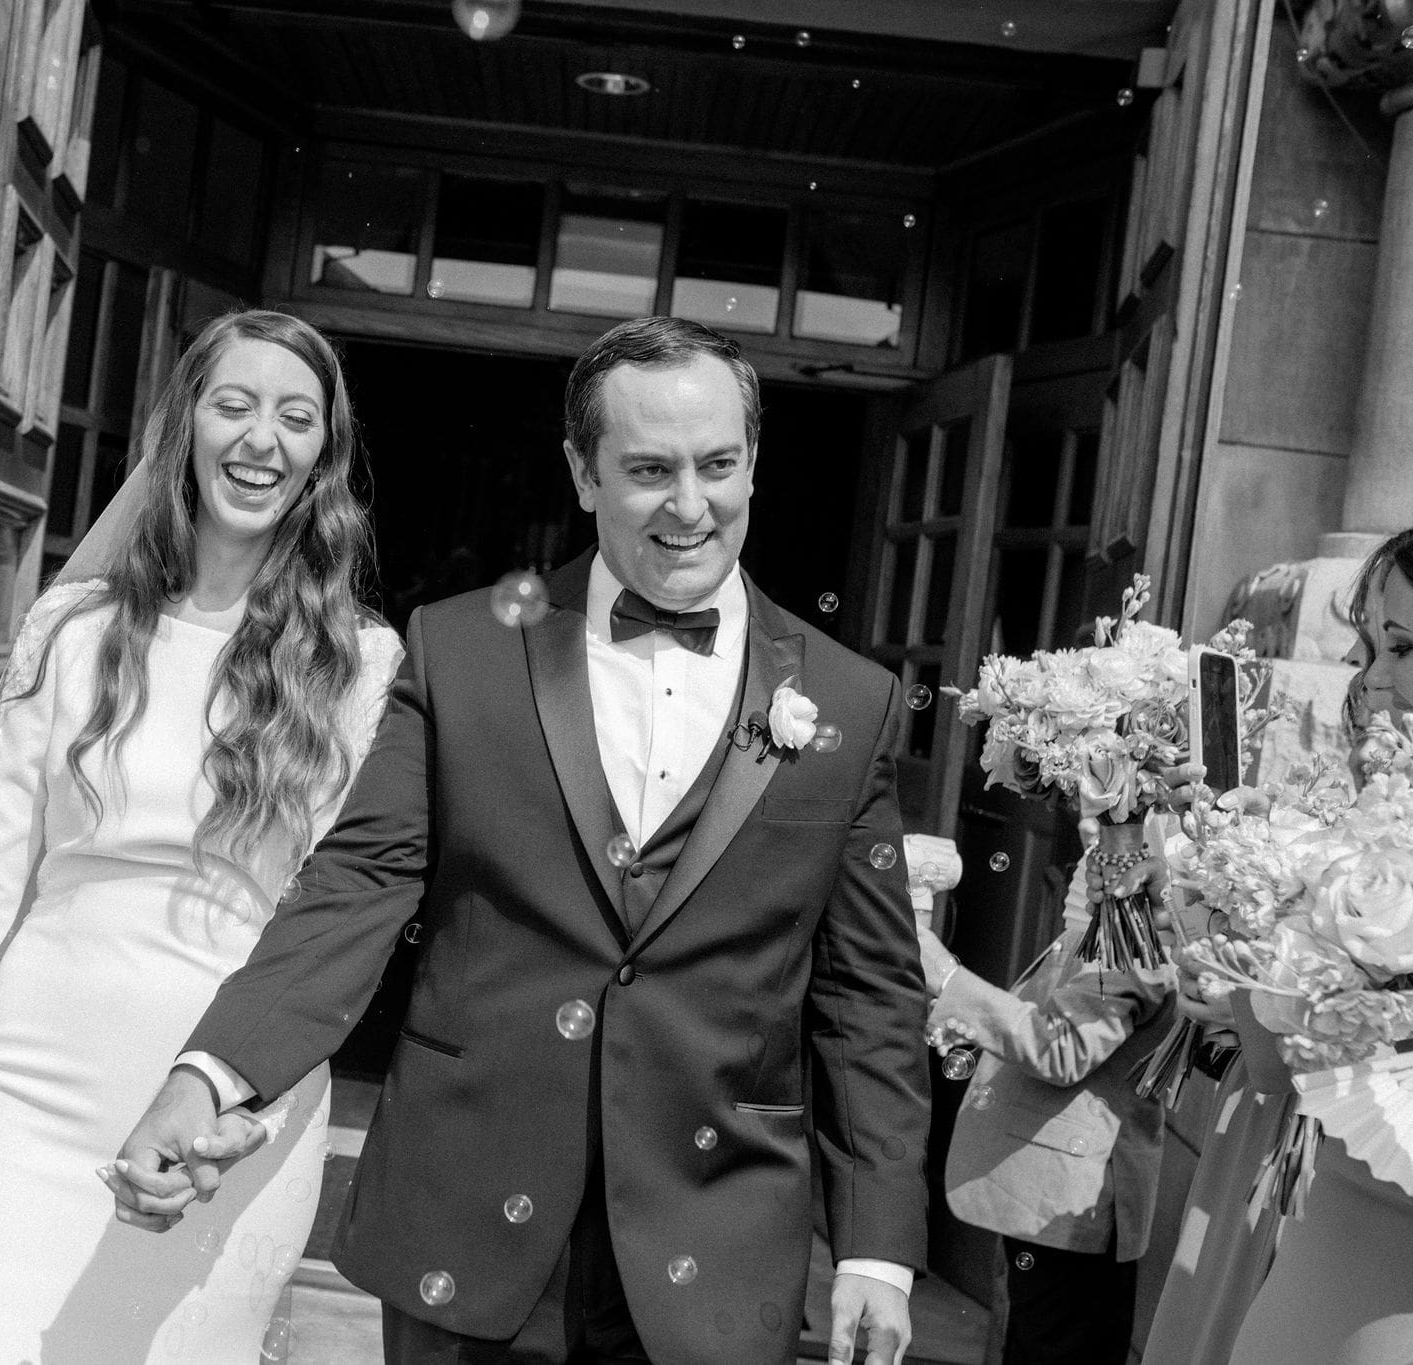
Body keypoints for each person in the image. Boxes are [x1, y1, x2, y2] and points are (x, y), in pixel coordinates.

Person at [113, 316, 931, 1365]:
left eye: (717, 466)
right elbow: (358, 885)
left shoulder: (850, 700)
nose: (690, 506)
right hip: (464, 1219)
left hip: (716, 1248)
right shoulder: (462, 649)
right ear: (582, 474)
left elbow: (867, 995)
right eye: (648, 470)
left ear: (753, 461)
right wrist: (213, 1075)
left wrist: (877, 1246)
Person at [0, 309, 399, 1363]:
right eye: (234, 405)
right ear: (184, 426)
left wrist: (244, 1097)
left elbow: (338, 915)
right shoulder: (72, 630)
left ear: (322, 458)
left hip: (231, 1111)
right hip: (28, 1090)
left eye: (296, 418)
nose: (261, 438)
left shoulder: (360, 664)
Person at [1224, 526, 1413, 1365]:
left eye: (1403, 647)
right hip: (1324, 1250)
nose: (1372, 679)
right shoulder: (1365, 836)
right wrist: (1242, 919)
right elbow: (1273, 1066)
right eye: (1370, 646)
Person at [916, 850, 1177, 1365]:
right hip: (1045, 1195)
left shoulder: (1138, 941)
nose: (1089, 843)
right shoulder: (1109, 927)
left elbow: (1061, 1048)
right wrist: (975, 1027)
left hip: (1071, 1209)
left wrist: (946, 976)